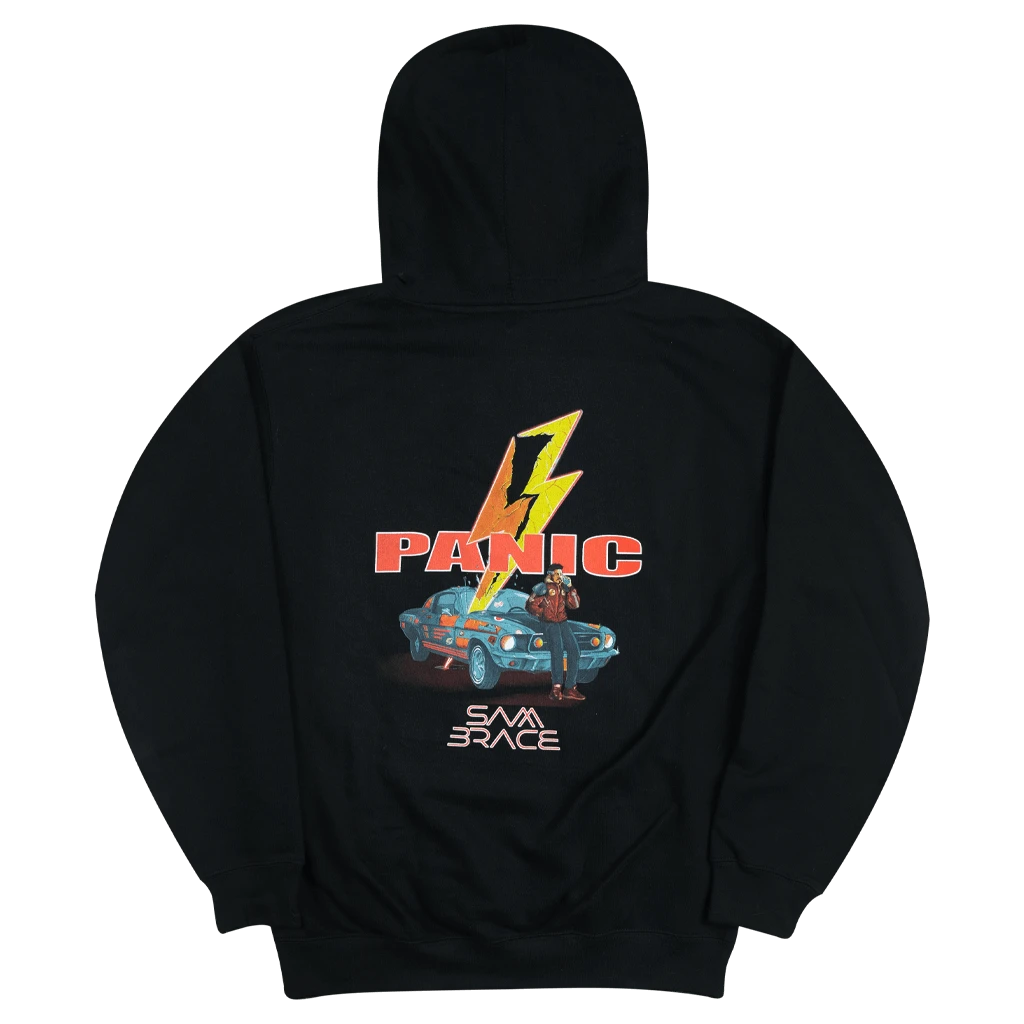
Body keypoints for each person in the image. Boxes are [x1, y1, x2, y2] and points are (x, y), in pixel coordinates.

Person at [526, 564, 584, 701]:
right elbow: (530, 606)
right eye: (557, 574)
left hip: (562, 622)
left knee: (574, 650)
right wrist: (542, 611)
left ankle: (570, 688)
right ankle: (556, 688)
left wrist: (571, 588)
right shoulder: (542, 587)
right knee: (557, 651)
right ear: (550, 574)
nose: (560, 576)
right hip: (549, 623)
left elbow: (575, 605)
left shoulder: (563, 588)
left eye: (561, 574)